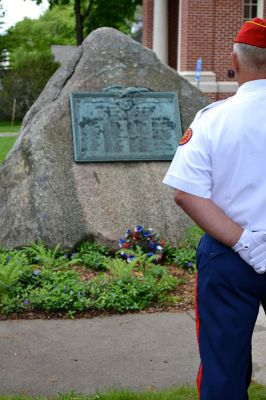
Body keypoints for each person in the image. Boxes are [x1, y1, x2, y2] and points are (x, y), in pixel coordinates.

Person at [163, 17, 266, 400]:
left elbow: (186, 193)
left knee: (223, 366)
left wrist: (244, 241)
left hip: (228, 254)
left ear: (235, 62)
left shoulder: (212, 119)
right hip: (233, 254)